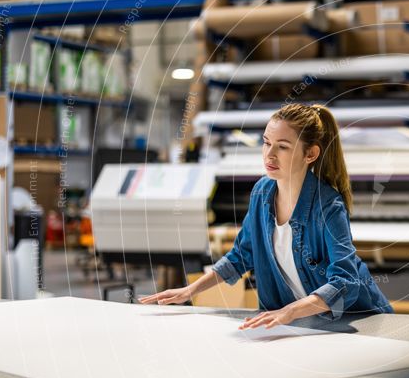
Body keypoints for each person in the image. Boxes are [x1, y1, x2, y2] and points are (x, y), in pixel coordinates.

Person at [139, 103, 393, 329]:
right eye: (266, 142)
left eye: (282, 147)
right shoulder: (262, 193)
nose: (269, 154)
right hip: (304, 324)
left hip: (358, 321)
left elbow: (346, 282)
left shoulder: (328, 206)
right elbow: (242, 254)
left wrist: (290, 311)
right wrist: (190, 290)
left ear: (311, 154)